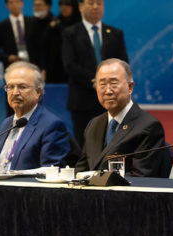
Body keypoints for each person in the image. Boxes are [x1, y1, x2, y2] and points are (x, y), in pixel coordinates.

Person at [75, 59, 167, 177]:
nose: (108, 91)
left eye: (114, 83)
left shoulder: (148, 126)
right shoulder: (93, 124)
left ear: (130, 87)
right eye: (102, 84)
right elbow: (80, 172)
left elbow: (142, 178)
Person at [62, 0, 128, 147]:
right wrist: (96, 81)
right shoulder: (70, 33)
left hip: (111, 99)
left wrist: (107, 84)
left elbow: (122, 64)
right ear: (80, 7)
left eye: (99, 3)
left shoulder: (115, 33)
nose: (95, 7)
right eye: (91, 3)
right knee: (86, 145)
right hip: (82, 100)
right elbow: (70, 64)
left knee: (112, 144)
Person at [0, 62, 70, 171]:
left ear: (38, 92)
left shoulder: (51, 126)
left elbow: (51, 171)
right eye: (10, 87)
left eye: (22, 87)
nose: (15, 92)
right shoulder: (6, 123)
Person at [0, 0, 39, 69]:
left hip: (32, 64)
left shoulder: (33, 22)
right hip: (12, 67)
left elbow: (40, 46)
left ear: (22, 3)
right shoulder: (1, 26)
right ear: (7, 5)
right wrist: (8, 57)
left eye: (17, 1)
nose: (14, 5)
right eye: (11, 2)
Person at [43, 0, 80, 83]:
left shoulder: (80, 24)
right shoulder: (54, 22)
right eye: (61, 5)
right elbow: (45, 46)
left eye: (67, 5)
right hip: (55, 67)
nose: (64, 8)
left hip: (74, 66)